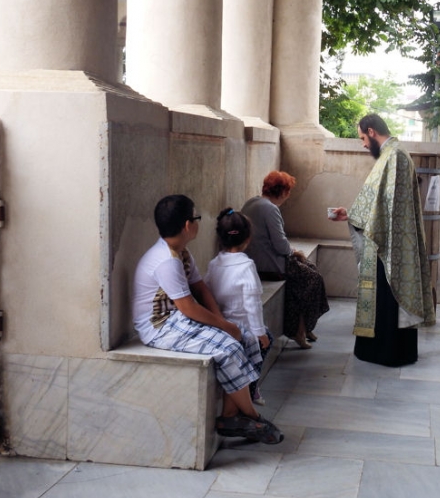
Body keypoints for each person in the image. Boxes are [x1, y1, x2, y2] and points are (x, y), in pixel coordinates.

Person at [131, 194, 283, 444]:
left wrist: (223, 321)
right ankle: (252, 417)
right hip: (161, 327)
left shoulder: (181, 252)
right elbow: (188, 307)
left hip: (178, 318)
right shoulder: (166, 261)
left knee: (246, 338)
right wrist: (224, 327)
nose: (197, 223)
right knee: (229, 348)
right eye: (196, 217)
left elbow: (200, 288)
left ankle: (230, 417)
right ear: (188, 225)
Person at [328, 113, 436, 367]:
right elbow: (376, 200)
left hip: (389, 243)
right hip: (381, 237)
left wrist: (361, 221)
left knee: (387, 298)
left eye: (363, 138)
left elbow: (390, 206)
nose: (364, 144)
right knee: (378, 297)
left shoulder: (395, 156)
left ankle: (388, 352)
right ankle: (374, 348)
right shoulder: (390, 156)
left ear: (372, 131)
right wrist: (351, 215)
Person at [241, 171, 330, 350]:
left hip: (257, 260)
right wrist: (294, 251)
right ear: (282, 192)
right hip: (270, 265)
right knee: (313, 279)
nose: (288, 196)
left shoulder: (251, 203)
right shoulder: (271, 209)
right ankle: (300, 330)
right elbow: (281, 245)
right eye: (288, 191)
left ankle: (305, 326)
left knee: (310, 268)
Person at [204, 208, 272, 407]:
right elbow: (253, 304)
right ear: (247, 239)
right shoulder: (246, 266)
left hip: (221, 324)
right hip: (243, 328)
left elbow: (207, 291)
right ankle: (252, 388)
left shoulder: (214, 264)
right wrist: (260, 333)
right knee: (267, 341)